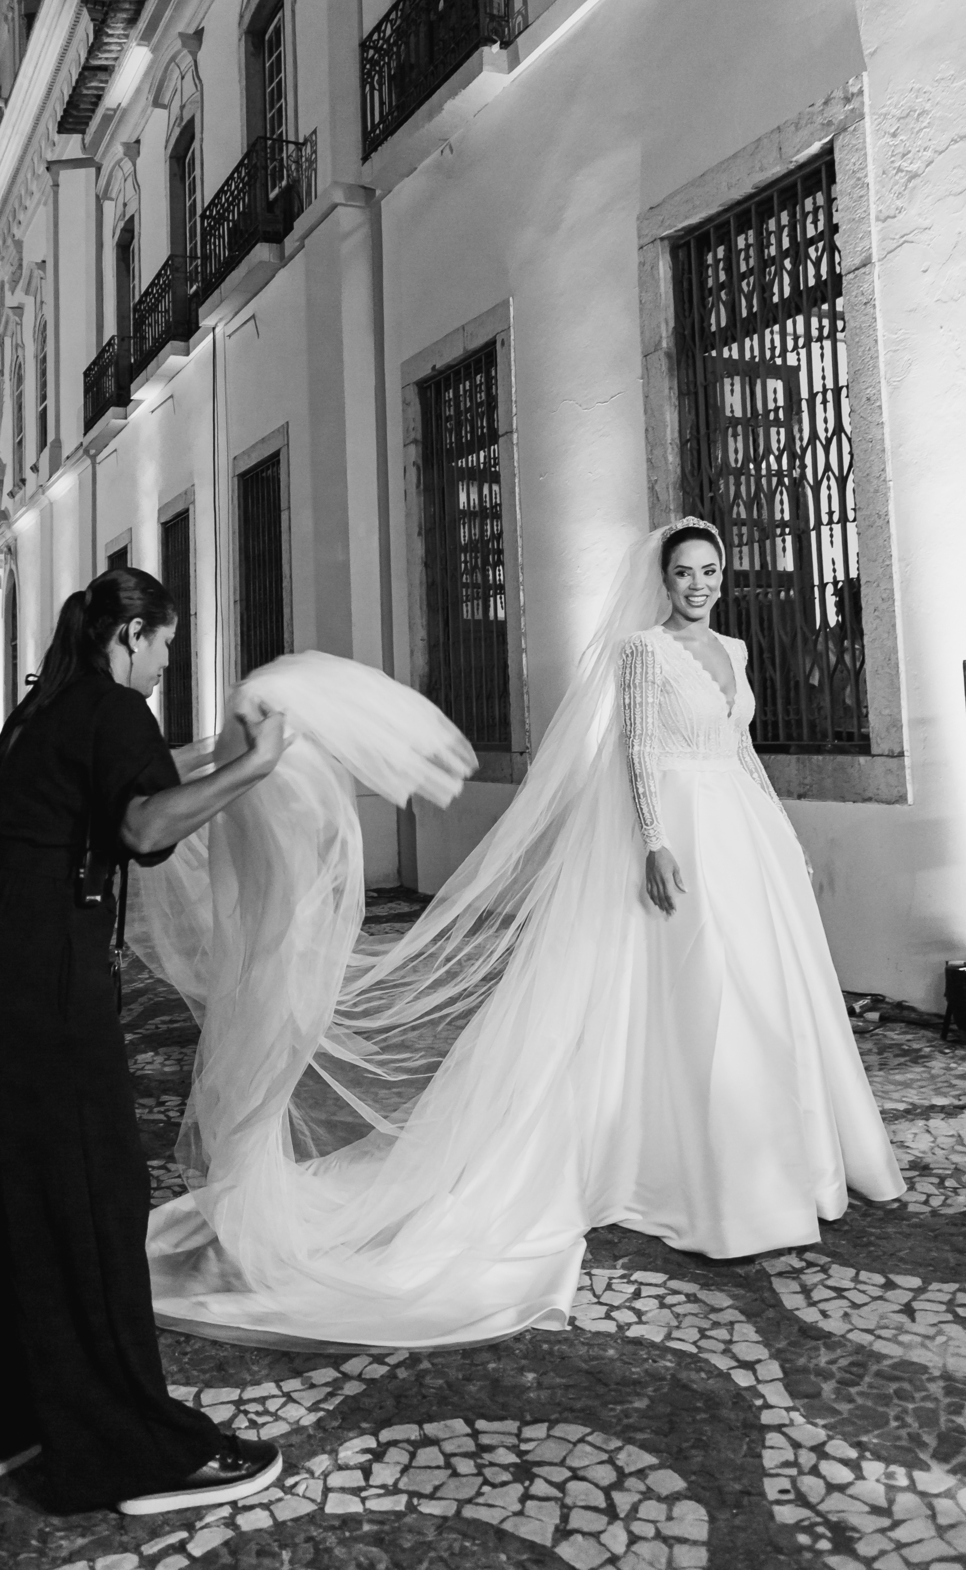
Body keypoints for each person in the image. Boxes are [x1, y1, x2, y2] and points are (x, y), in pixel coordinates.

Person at [132, 521, 905, 1351]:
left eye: (710, 571)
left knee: (761, 994)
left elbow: (741, 750)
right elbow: (638, 753)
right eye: (685, 572)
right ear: (664, 578)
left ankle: (775, 1163)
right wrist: (654, 842)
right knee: (695, 988)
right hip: (678, 833)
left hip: (740, 834)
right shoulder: (642, 651)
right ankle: (687, 1172)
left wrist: (781, 833)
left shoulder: (738, 650)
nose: (699, 584)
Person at [0, 568, 287, 1516]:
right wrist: (250, 768)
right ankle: (129, 1451)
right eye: (163, 645)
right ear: (129, 635)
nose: (165, 665)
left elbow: (88, 798)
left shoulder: (42, 706)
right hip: (33, 960)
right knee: (90, 1194)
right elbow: (144, 824)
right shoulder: (115, 709)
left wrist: (203, 755)